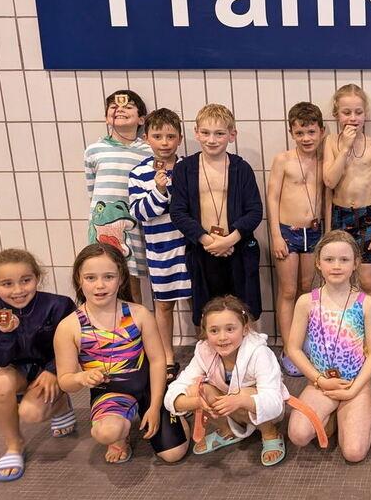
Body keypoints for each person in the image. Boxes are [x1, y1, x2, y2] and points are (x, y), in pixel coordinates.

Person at [53, 244, 189, 464]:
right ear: (79, 279)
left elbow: (157, 362)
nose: (100, 285)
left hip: (150, 387)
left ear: (121, 278)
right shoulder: (69, 327)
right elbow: (65, 381)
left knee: (173, 454)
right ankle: (119, 438)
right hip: (111, 395)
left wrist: (155, 407)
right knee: (106, 432)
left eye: (108, 277)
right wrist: (81, 377)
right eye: (90, 278)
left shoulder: (139, 314)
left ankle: (176, 412)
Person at [285, 231, 371, 462]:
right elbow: (293, 349)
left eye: (344, 259)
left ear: (356, 263)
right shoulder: (306, 302)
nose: (336, 266)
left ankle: (358, 403)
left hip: (354, 382)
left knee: (354, 453)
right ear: (318, 263)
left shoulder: (366, 304)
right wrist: (319, 380)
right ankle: (336, 413)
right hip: (322, 383)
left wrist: (355, 389)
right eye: (329, 259)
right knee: (298, 434)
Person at [0, 249, 77, 482]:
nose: (18, 290)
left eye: (25, 280)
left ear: (37, 277)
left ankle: (61, 404)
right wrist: (5, 334)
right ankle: (14, 445)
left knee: (30, 413)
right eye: (7, 284)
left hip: (55, 368)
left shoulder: (59, 305)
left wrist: (53, 370)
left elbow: (76, 344)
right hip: (17, 370)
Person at [165, 296, 288, 466]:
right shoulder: (204, 351)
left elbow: (274, 403)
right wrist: (196, 402)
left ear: (245, 329)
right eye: (214, 331)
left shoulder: (260, 353)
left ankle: (270, 433)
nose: (222, 337)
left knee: (242, 393)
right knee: (197, 390)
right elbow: (175, 389)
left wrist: (241, 400)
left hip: (263, 411)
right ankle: (228, 430)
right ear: (205, 332)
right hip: (230, 407)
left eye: (230, 329)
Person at [169, 104, 263, 326]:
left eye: (219, 133)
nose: (211, 140)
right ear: (196, 133)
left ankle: (247, 348)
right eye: (206, 133)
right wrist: (207, 241)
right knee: (207, 312)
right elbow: (178, 211)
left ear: (232, 135)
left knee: (244, 309)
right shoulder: (185, 169)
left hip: (238, 248)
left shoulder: (242, 168)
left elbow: (255, 211)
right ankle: (209, 348)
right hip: (203, 249)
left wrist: (230, 240)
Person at [128, 107, 192, 380]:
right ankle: (167, 356)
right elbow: (139, 212)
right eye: (157, 136)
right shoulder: (139, 173)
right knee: (164, 304)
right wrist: (159, 190)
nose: (164, 143)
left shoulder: (190, 167)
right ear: (146, 138)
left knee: (198, 303)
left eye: (170, 136)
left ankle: (206, 353)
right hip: (160, 249)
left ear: (180, 138)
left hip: (191, 246)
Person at [267, 102, 326, 376]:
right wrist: (276, 235)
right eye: (300, 133)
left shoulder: (324, 160)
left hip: (313, 232)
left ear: (321, 131)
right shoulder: (283, 160)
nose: (306, 138)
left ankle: (302, 343)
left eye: (311, 132)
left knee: (306, 288)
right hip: (288, 232)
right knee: (288, 290)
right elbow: (272, 197)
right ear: (291, 132)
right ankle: (288, 347)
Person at [84, 89, 152, 302]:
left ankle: (133, 323)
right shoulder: (94, 150)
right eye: (114, 107)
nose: (120, 110)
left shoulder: (149, 151)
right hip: (103, 225)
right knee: (103, 277)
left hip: (133, 225)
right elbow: (92, 190)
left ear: (141, 119)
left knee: (131, 283)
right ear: (107, 117)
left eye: (128, 106)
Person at [323, 84, 371, 293]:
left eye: (358, 112)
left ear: (365, 114)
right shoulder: (331, 142)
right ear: (336, 114)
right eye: (346, 112)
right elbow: (329, 182)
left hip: (368, 216)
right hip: (340, 215)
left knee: (367, 282)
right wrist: (345, 148)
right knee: (340, 280)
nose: (353, 118)